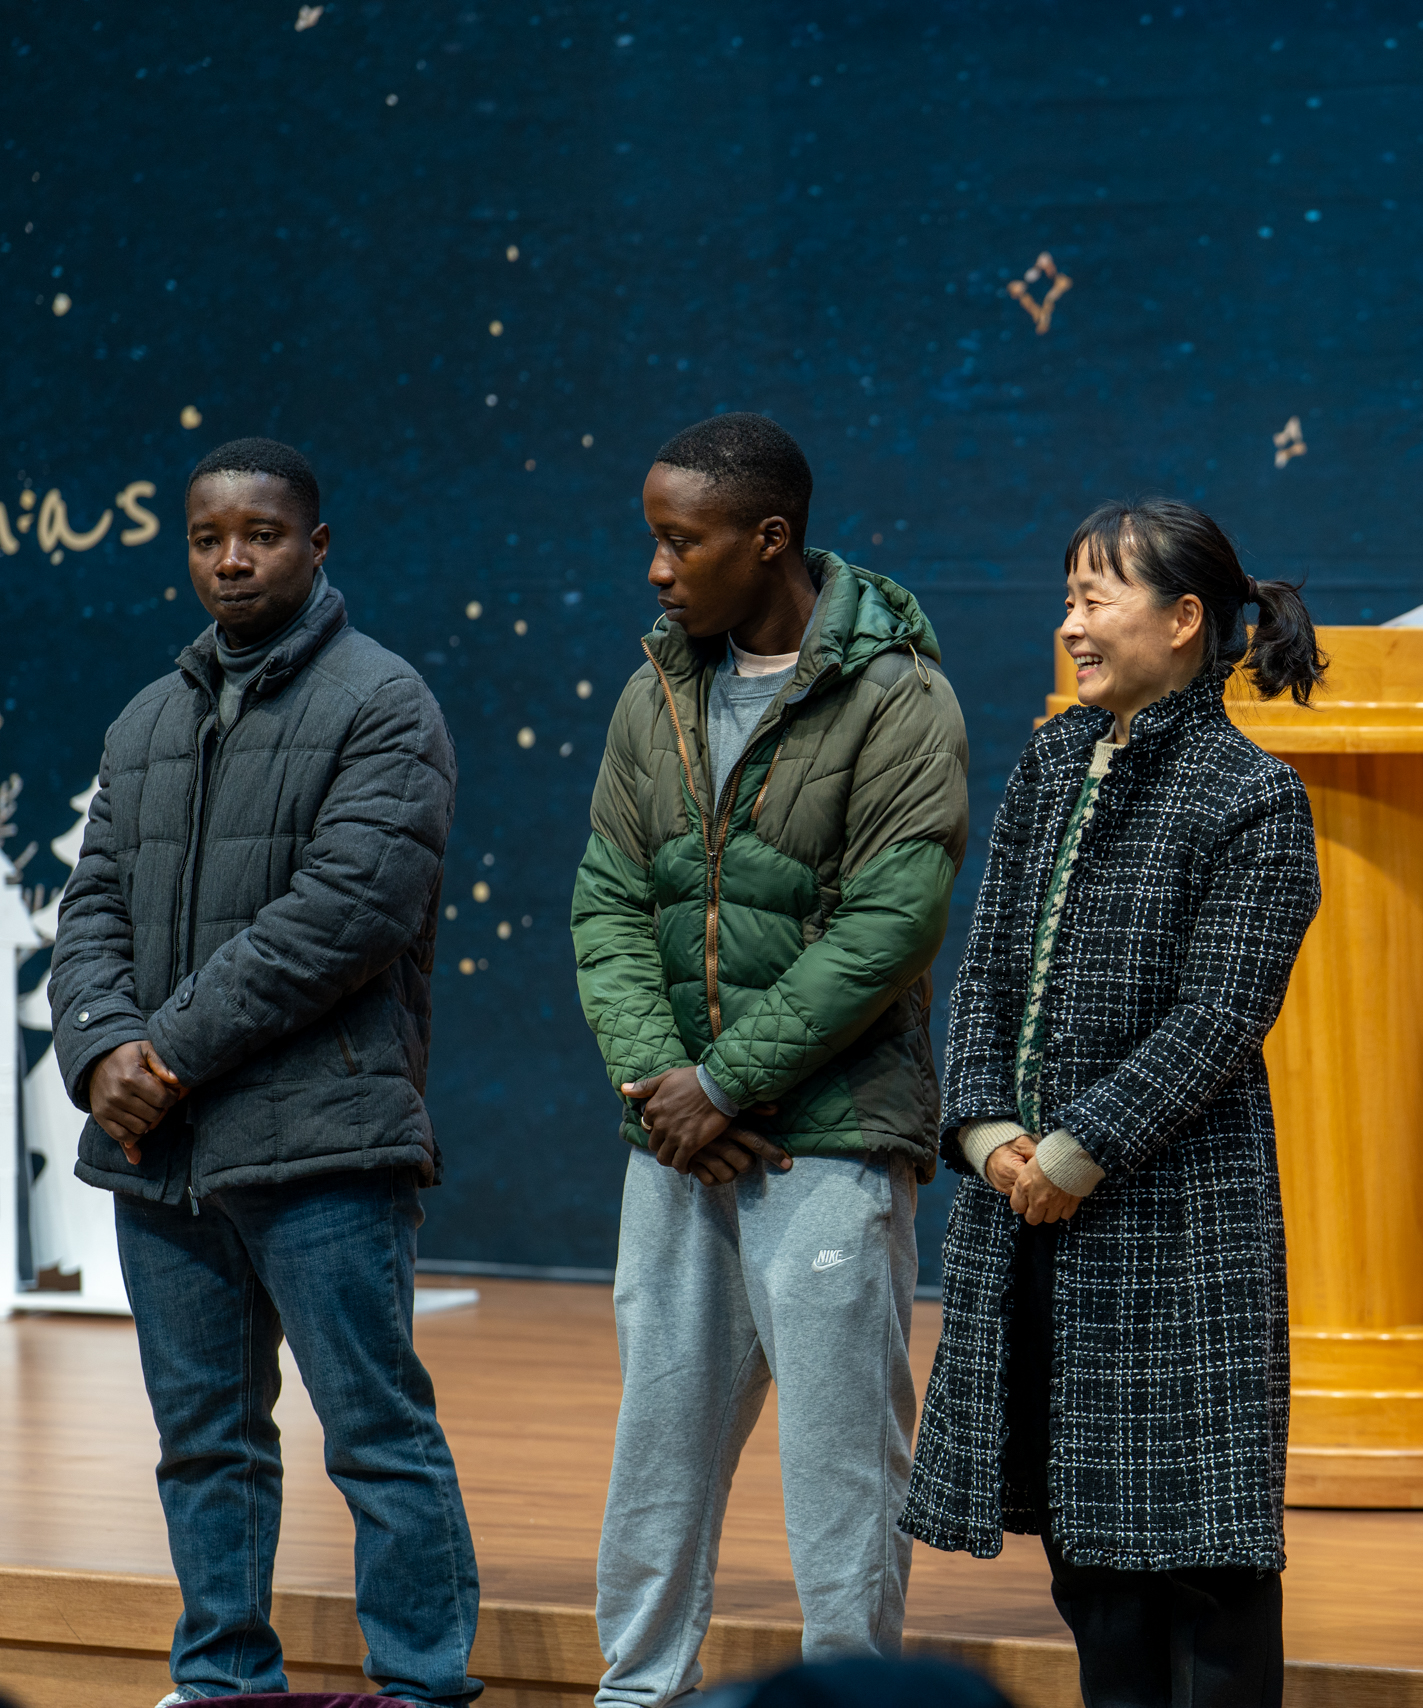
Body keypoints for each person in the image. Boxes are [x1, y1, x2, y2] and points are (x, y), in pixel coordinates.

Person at [50, 438, 478, 1708]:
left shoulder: (383, 701)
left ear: (316, 545)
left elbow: (348, 912)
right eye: (207, 538)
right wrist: (99, 1051)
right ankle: (221, 1682)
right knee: (203, 1444)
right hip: (163, 1159)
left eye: (261, 534)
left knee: (376, 1436)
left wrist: (166, 1053)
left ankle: (420, 1689)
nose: (231, 559)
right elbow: (90, 908)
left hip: (321, 1144)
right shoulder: (146, 718)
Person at [570, 413, 969, 1702]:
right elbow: (606, 902)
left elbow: (889, 925)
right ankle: (637, 1690)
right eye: (653, 539)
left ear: (770, 539)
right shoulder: (653, 690)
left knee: (842, 1459)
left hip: (830, 1136)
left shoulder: (898, 695)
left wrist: (727, 1082)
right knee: (658, 1440)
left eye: (681, 541)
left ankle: (850, 1698)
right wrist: (663, 1087)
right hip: (674, 1138)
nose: (656, 569)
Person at [902, 499, 1325, 1708]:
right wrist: (989, 1135)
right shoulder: (1051, 761)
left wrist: (1078, 1149)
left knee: (1201, 1557)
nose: (1071, 625)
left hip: (1172, 1220)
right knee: (1086, 1548)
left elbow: (1220, 1014)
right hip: (1025, 1214)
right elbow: (987, 966)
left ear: (1184, 619)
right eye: (1069, 599)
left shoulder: (1252, 793)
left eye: (1095, 598)